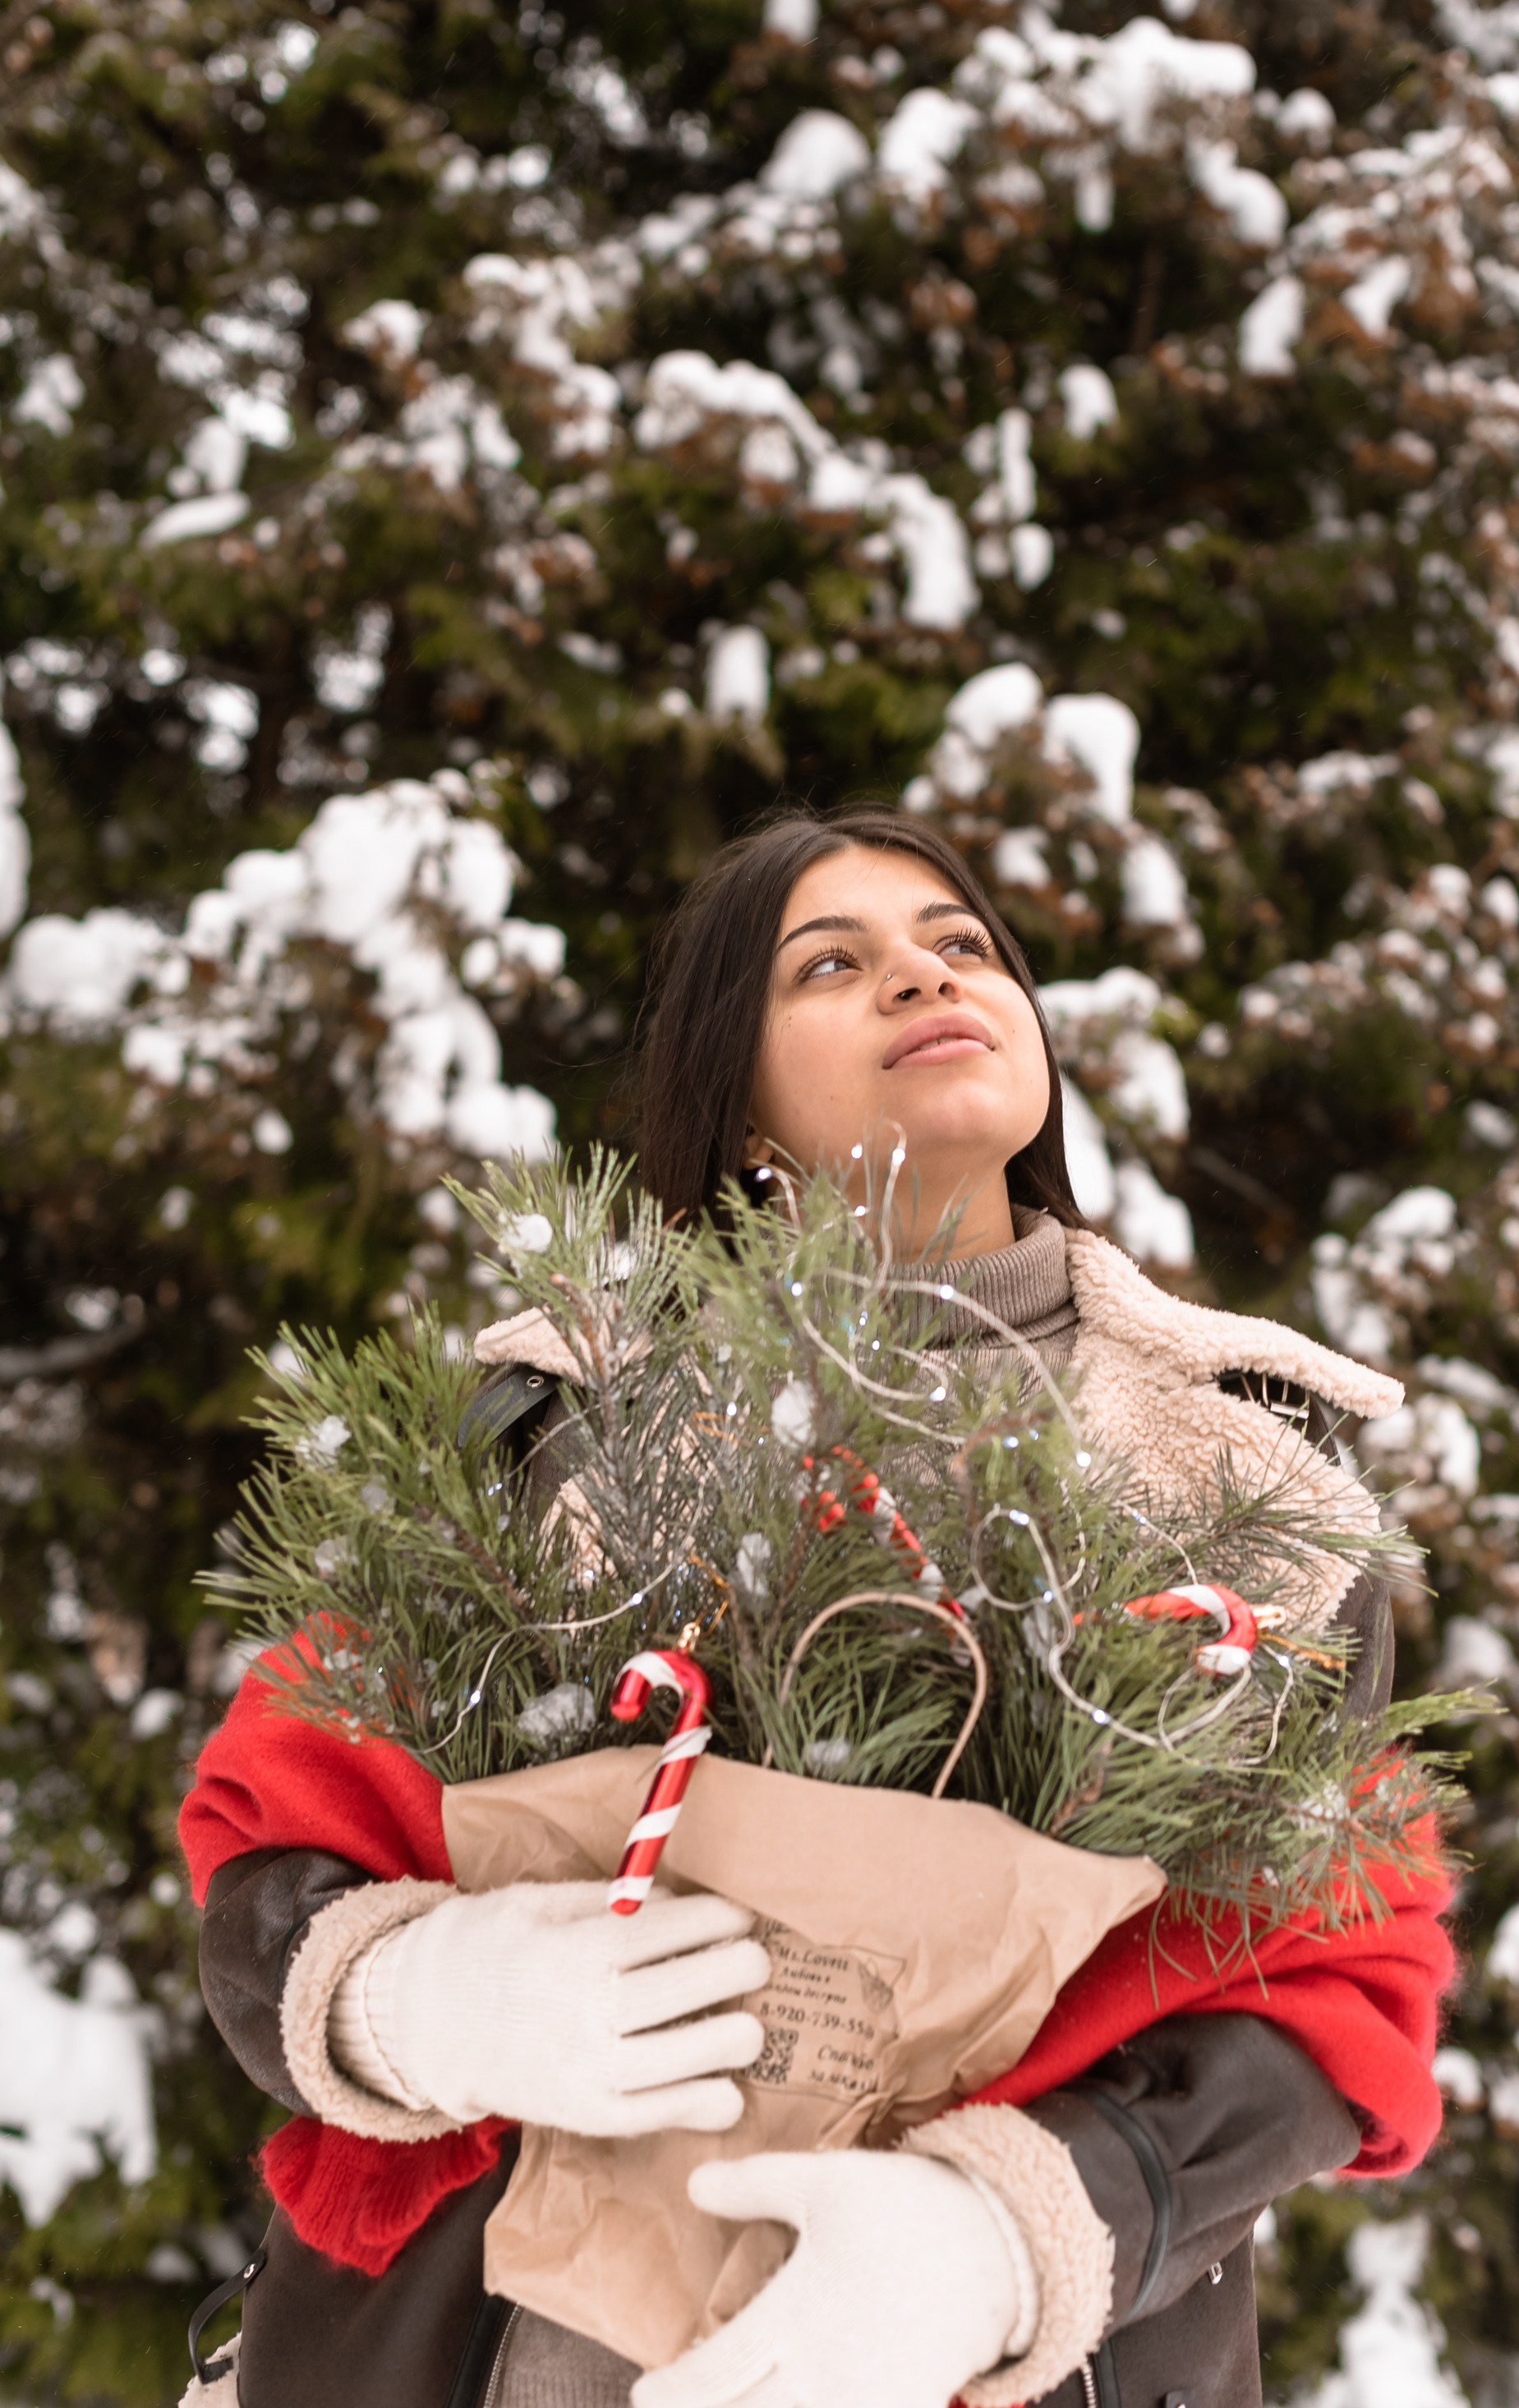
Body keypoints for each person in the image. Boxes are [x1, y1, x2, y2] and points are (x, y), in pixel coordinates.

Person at [179, 806, 1453, 2408]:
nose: (924, 975)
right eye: (832, 963)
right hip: (491, 2348)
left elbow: (1338, 1972)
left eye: (963, 943)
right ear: (743, 1104)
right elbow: (283, 1822)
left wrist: (1004, 2240)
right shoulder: (553, 1422)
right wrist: (427, 2000)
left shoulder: (1255, 1466)